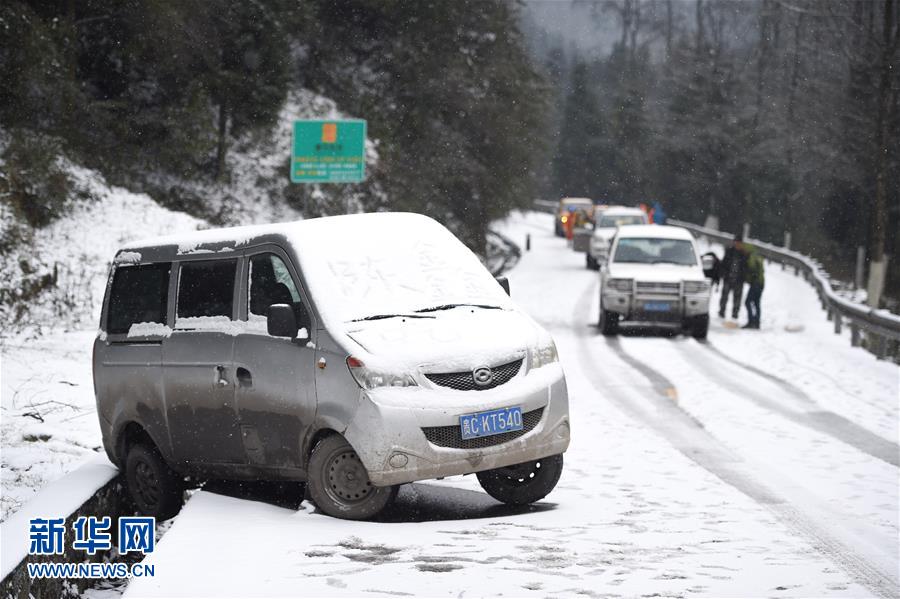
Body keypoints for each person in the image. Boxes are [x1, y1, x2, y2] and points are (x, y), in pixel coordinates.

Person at [718, 235, 746, 319]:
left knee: (737, 298)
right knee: (724, 296)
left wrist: (743, 277)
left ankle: (735, 314)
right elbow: (724, 263)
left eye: (739, 243)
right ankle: (722, 311)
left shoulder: (744, 254)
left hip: (738, 279)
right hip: (728, 278)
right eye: (736, 242)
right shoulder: (729, 251)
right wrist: (722, 274)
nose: (737, 244)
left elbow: (745, 267)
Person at [742, 243, 765, 329]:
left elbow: (751, 268)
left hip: (756, 283)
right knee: (756, 303)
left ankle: (751, 321)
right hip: (761, 282)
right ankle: (757, 322)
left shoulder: (751, 256)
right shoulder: (757, 256)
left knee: (748, 302)